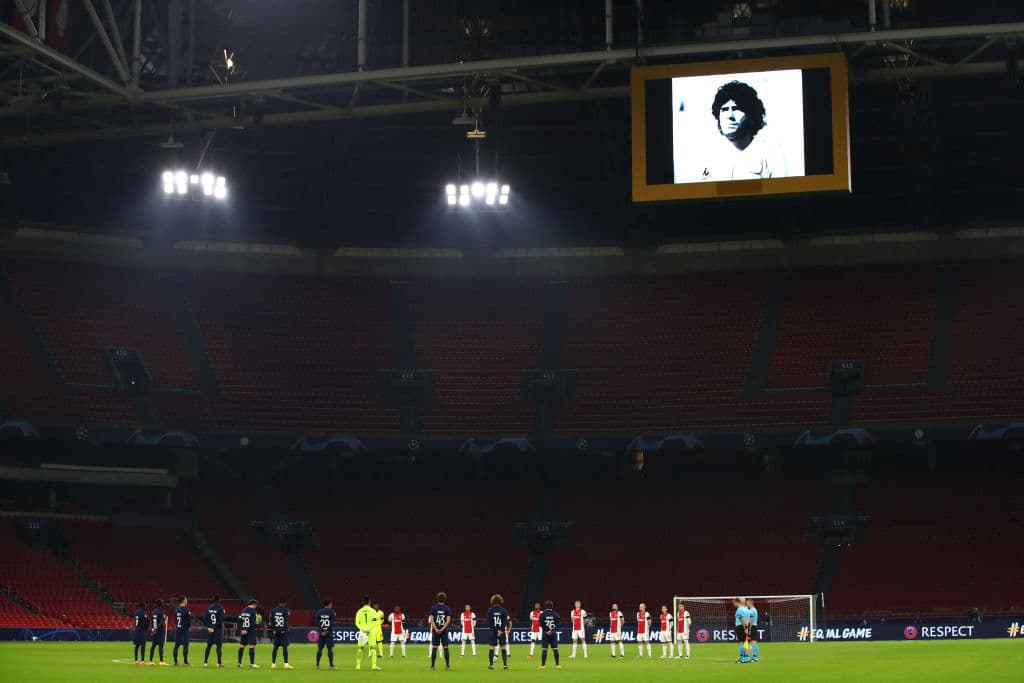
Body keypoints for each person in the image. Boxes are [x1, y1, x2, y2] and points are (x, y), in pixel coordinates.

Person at [694, 80, 787, 182]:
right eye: (724, 110)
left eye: (736, 109)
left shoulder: (772, 155)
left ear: (751, 114)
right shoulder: (708, 157)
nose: (730, 116)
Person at [485, 594, 511, 670]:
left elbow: (490, 622)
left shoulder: (490, 610)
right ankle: (505, 665)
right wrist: (501, 630)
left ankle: (491, 665)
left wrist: (496, 630)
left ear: (492, 601)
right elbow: (505, 622)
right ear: (500, 601)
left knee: (491, 648)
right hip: (502, 632)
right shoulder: (504, 610)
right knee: (503, 648)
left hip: (493, 631)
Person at [354, 596, 381, 671]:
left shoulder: (359, 611)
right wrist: (368, 629)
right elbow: (375, 621)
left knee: (360, 648)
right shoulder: (373, 611)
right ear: (369, 602)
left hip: (362, 631)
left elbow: (356, 623)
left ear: (363, 602)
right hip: (370, 631)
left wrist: (362, 629)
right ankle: (374, 665)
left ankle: (358, 665)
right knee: (373, 648)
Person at [429, 591, 453, 671]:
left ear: (437, 599)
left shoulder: (433, 608)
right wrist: (442, 629)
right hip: (444, 631)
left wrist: (436, 629)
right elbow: (448, 620)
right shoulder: (447, 608)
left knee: (434, 647)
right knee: (445, 647)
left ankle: (432, 666)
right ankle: (447, 666)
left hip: (435, 630)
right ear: (444, 599)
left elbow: (431, 620)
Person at [538, 600, 561, 670]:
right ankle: (557, 665)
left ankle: (543, 665)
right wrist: (552, 630)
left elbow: (541, 624)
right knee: (555, 649)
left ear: (545, 606)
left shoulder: (542, 614)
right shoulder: (556, 614)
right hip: (553, 634)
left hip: (545, 634)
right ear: (552, 606)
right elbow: (558, 625)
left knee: (544, 649)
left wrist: (546, 630)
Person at [204, 595, 226, 667]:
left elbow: (206, 619)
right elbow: (220, 620)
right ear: (219, 600)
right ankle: (219, 663)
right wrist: (214, 628)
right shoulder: (221, 608)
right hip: (217, 630)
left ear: (213, 600)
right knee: (219, 646)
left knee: (209, 646)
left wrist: (209, 628)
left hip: (210, 629)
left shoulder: (209, 608)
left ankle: (205, 662)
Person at [270, 599, 292, 669]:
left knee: (275, 648)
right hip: (283, 631)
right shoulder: (286, 610)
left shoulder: (273, 610)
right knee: (285, 647)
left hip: (276, 631)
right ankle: (286, 664)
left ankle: (273, 664)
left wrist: (273, 629)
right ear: (285, 603)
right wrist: (283, 629)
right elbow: (286, 620)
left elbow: (271, 620)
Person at [237, 598, 259, 668]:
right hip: (251, 631)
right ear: (254, 604)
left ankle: (239, 663)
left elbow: (239, 621)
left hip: (243, 631)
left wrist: (242, 630)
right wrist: (247, 630)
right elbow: (253, 623)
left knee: (242, 646)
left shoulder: (243, 611)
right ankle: (252, 664)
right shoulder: (253, 612)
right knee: (252, 646)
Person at [148, 599, 168, 666]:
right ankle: (161, 661)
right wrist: (156, 629)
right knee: (161, 646)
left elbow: (151, 621)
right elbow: (162, 622)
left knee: (153, 646)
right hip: (160, 631)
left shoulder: (154, 611)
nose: (163, 603)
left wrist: (152, 629)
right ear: (161, 604)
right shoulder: (162, 611)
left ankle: (150, 661)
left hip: (154, 631)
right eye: (162, 602)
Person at [173, 596, 191, 666]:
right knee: (185, 645)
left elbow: (175, 621)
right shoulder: (186, 610)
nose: (187, 600)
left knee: (176, 646)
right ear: (183, 601)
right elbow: (189, 621)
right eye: (186, 599)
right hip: (184, 630)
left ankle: (175, 661)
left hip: (178, 630)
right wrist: (188, 627)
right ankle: (185, 662)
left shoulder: (176, 610)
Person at [733, 597, 751, 664]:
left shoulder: (739, 610)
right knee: (746, 642)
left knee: (741, 642)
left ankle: (742, 658)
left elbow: (742, 619)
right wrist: (747, 627)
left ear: (737, 602)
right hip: (745, 626)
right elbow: (748, 619)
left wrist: (745, 628)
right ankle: (747, 657)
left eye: (734, 602)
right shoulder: (746, 609)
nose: (733, 604)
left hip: (741, 627)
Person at [747, 598, 760, 663]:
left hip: (752, 627)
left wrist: (749, 628)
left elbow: (751, 620)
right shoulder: (754, 609)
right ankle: (755, 657)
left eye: (747, 603)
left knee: (752, 642)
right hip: (754, 626)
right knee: (754, 642)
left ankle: (753, 657)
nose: (747, 604)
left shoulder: (752, 610)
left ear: (750, 603)